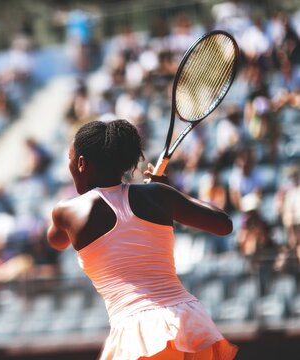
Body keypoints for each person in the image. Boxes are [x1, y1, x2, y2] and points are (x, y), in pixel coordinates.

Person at [47, 120, 237, 359]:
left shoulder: (67, 211)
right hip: (190, 325)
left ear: (81, 163)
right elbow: (223, 224)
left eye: (70, 158)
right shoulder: (159, 195)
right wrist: (170, 194)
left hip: (138, 334)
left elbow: (56, 241)